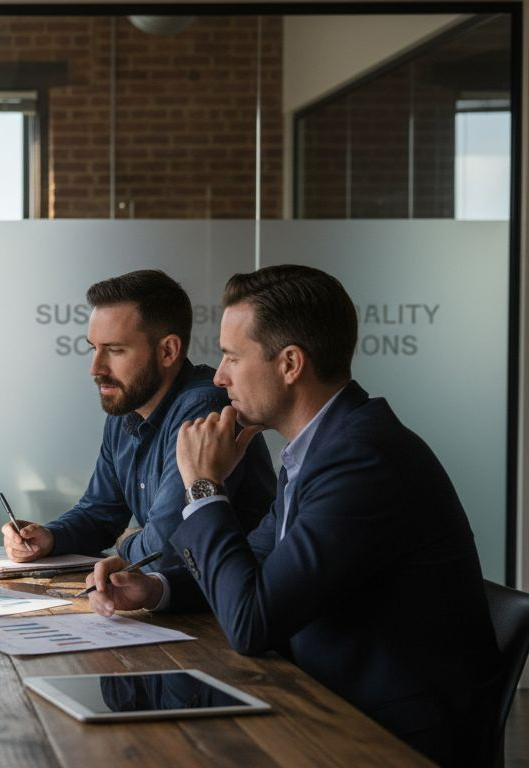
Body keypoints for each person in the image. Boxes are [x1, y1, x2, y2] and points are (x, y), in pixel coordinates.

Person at [85, 265, 498, 765]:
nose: (218, 376)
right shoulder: (319, 449)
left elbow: (252, 623)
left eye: (233, 357)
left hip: (385, 741)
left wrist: (203, 486)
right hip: (320, 705)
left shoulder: (360, 459)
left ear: (290, 364)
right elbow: (256, 573)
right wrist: (156, 588)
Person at [2, 269, 275, 569]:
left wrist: (125, 541)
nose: (96, 368)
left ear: (168, 351)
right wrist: (50, 537)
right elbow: (100, 513)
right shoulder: (127, 406)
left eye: (115, 350)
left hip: (224, 604)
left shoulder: (205, 407)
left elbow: (165, 552)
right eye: (94, 349)